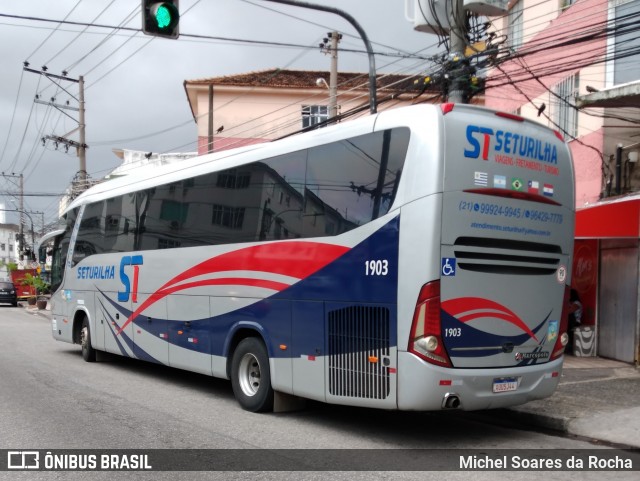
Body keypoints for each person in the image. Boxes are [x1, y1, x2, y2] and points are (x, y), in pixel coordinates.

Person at [566, 289, 583, 354]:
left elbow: (569, 311)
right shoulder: (572, 303)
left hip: (575, 322)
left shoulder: (577, 303)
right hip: (571, 322)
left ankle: (569, 349)